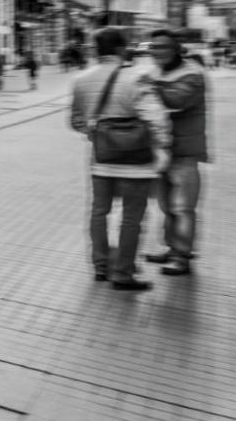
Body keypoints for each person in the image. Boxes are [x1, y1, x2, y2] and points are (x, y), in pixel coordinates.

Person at [70, 27, 171, 291]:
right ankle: (123, 272)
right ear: (120, 49)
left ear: (97, 50)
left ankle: (101, 266)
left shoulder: (81, 79)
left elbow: (76, 121)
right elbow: (156, 118)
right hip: (136, 163)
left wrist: (97, 133)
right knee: (132, 217)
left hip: (100, 160)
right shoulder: (139, 77)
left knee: (99, 212)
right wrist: (163, 146)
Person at [145, 29, 207, 276]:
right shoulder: (158, 73)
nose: (157, 52)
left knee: (183, 207)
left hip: (184, 152)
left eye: (163, 47)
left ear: (177, 49)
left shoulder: (193, 74)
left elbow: (177, 100)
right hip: (162, 151)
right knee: (167, 206)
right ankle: (172, 248)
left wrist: (150, 85)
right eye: (154, 48)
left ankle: (182, 255)